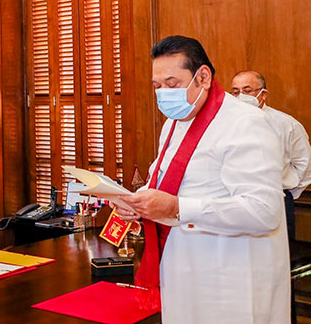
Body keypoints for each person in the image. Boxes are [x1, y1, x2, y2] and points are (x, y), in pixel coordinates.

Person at [113, 36, 289, 323]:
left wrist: (175, 208)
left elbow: (263, 211)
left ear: (203, 77)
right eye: (157, 86)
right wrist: (138, 201)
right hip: (182, 269)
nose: (164, 94)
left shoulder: (245, 123)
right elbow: (163, 176)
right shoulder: (174, 122)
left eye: (172, 84)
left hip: (231, 277)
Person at [231, 70, 311, 240]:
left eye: (247, 91)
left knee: (278, 257)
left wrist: (286, 192)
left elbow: (305, 164)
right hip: (235, 201)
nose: (240, 96)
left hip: (277, 200)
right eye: (236, 92)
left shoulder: (286, 124)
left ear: (263, 94)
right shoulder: (225, 124)